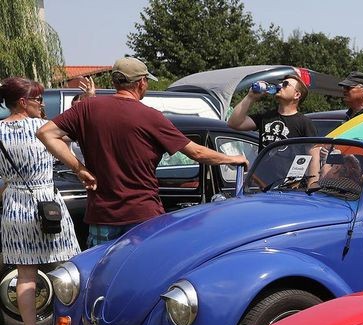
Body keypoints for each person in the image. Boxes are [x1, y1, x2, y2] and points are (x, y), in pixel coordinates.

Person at [37, 57, 249, 247]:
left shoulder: (87, 108)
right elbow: (197, 153)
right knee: (143, 276)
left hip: (102, 214)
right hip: (142, 215)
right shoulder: (151, 117)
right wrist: (232, 158)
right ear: (140, 83)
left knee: (100, 275)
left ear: (114, 82)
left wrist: (79, 169)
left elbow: (45, 133)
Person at [0, 77, 81, 325]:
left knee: (24, 276)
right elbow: (68, 148)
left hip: (14, 205)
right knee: (70, 267)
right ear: (22, 101)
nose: (41, 104)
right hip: (46, 202)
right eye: (37, 99)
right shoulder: (44, 129)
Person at [228, 69, 317, 149]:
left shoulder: (304, 123)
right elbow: (234, 123)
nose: (280, 85)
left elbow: (313, 157)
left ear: (297, 95)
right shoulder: (266, 117)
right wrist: (250, 97)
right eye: (281, 83)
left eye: (285, 84)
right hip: (264, 168)